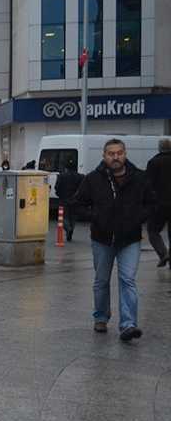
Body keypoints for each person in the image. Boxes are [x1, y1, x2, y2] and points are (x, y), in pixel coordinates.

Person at [72, 138, 156, 342]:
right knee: (101, 281)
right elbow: (77, 205)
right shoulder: (93, 179)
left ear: (125, 154)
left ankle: (128, 325)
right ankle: (101, 317)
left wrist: (137, 218)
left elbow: (152, 203)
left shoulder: (139, 178)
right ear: (104, 156)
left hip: (130, 239)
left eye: (119, 153)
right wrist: (96, 217)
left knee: (127, 280)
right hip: (102, 238)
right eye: (111, 153)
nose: (115, 157)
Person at [146, 138, 171, 267]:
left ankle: (163, 253)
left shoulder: (154, 162)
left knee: (153, 231)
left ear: (159, 148)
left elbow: (147, 184)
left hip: (159, 204)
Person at [55, 158, 85, 242]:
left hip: (64, 199)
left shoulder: (62, 176)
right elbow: (83, 188)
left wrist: (59, 194)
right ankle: (71, 231)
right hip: (75, 200)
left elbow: (57, 187)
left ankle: (68, 229)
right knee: (73, 217)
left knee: (64, 217)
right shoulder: (80, 176)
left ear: (66, 168)